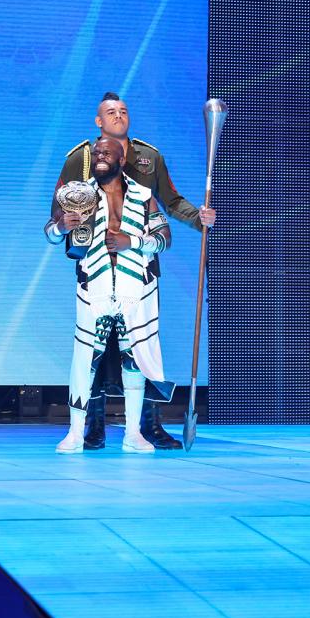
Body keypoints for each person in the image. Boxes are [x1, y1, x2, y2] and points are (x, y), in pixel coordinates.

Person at [52, 92, 216, 450]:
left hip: (137, 273)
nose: (118, 116)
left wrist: (198, 219)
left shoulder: (148, 160)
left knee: (140, 351)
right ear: (99, 121)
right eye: (111, 112)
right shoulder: (81, 159)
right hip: (95, 274)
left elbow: (171, 203)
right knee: (91, 354)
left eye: (123, 111)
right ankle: (90, 428)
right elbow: (60, 210)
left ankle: (145, 428)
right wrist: (65, 228)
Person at [47, 137, 175, 454]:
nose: (100, 156)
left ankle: (133, 434)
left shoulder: (143, 195)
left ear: (121, 159)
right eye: (96, 153)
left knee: (135, 359)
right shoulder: (79, 194)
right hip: (95, 287)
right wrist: (62, 226)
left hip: (136, 289)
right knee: (85, 360)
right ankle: (75, 433)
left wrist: (132, 242)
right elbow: (50, 232)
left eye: (107, 152)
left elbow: (165, 238)